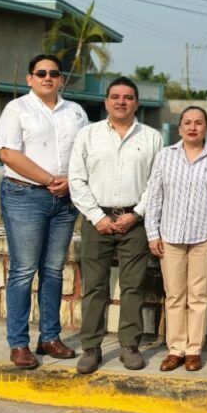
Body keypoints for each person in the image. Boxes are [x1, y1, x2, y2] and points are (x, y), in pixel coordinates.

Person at [0, 54, 89, 369]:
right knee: (23, 271)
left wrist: (71, 184)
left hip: (64, 200)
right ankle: (18, 344)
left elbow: (85, 152)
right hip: (25, 196)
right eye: (41, 73)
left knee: (52, 271)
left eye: (54, 73)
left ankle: (49, 338)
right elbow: (7, 153)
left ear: (62, 79)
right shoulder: (17, 109)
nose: (48, 77)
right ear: (30, 78)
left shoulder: (75, 112)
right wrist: (49, 180)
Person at [68, 77, 163, 374]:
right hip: (97, 220)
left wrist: (136, 214)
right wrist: (97, 216)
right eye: (115, 96)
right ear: (107, 101)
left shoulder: (151, 138)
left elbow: (156, 183)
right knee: (94, 287)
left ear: (136, 102)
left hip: (135, 220)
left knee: (133, 286)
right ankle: (91, 347)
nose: (121, 102)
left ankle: (129, 345)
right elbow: (76, 179)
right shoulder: (88, 135)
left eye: (128, 97)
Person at [145, 106, 207, 372]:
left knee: (198, 295)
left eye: (198, 123)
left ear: (206, 127)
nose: (192, 127)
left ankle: (194, 349)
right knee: (174, 295)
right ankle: (175, 349)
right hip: (170, 236)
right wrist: (152, 233)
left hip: (204, 237)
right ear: (179, 127)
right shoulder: (165, 156)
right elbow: (155, 196)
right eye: (187, 122)